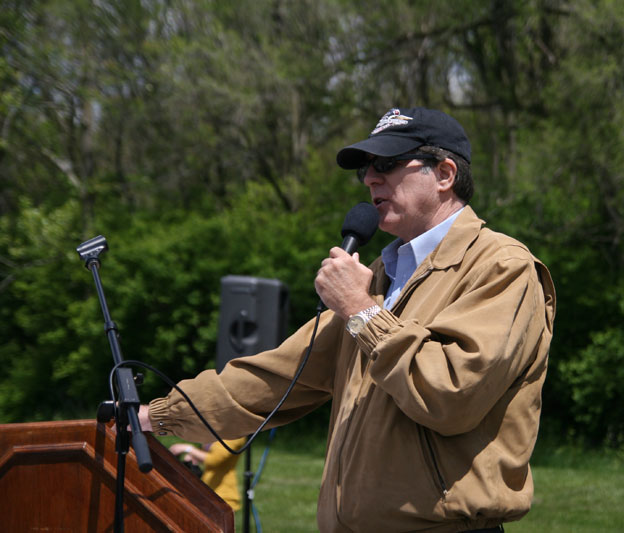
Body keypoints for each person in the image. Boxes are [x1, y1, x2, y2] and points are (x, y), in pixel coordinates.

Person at [138, 107, 556, 532]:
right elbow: (277, 379)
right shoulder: (377, 275)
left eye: (388, 164)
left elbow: (450, 394)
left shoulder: (503, 267)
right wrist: (156, 417)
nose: (371, 178)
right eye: (366, 170)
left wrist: (361, 308)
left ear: (445, 174)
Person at [169, 437, 247, 511]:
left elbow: (213, 460)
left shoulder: (234, 436)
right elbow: (208, 453)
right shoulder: (216, 431)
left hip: (223, 494)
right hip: (208, 490)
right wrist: (194, 456)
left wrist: (188, 449)